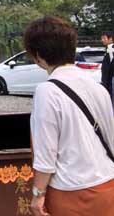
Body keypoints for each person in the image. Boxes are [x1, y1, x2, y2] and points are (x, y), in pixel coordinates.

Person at [25, 16, 114, 216]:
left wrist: (38, 194)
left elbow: (46, 152)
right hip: (107, 185)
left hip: (70, 192)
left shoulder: (47, 91)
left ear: (38, 55)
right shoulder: (97, 86)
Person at [101, 32, 113, 104]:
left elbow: (109, 67)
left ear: (110, 39)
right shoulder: (108, 48)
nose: (102, 40)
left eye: (104, 38)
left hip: (110, 80)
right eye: (101, 38)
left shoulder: (111, 48)